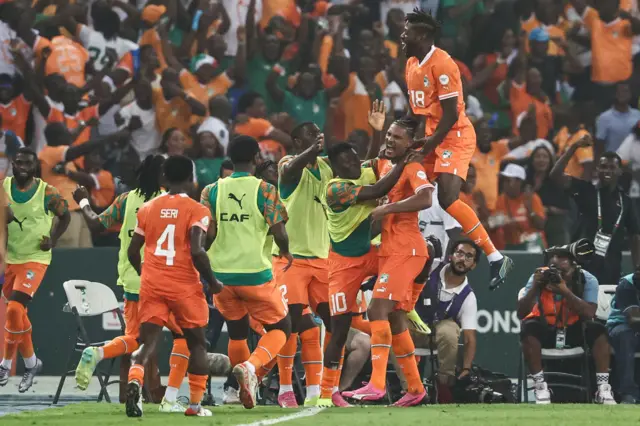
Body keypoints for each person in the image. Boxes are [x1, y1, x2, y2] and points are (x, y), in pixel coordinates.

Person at [71, 155, 194, 411]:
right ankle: (168, 397)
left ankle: (105, 359)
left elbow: (95, 224)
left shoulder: (125, 200)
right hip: (164, 281)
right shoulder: (169, 202)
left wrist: (83, 200)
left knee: (135, 339)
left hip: (132, 281)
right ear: (165, 175)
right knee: (183, 335)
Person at [401, 8, 513, 290]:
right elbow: (416, 113)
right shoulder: (411, 64)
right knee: (404, 178)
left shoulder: (444, 64)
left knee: (448, 198)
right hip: (432, 135)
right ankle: (399, 251)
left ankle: (495, 257)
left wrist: (427, 144)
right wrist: (398, 137)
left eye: (407, 32)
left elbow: (450, 115)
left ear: (423, 35)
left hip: (455, 136)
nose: (402, 36)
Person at [343, 117, 433, 406]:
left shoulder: (413, 167)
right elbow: (360, 168)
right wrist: (376, 129)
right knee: (395, 318)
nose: (391, 140)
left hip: (407, 250)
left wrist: (388, 209)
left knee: (376, 308)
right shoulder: (386, 165)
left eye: (397, 137)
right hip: (391, 250)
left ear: (410, 143)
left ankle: (377, 383)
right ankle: (416, 389)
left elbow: (426, 198)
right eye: (389, 135)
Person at [320, 138, 416, 407]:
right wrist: (403, 162)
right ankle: (327, 392)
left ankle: (410, 301)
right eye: (346, 161)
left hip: (369, 254)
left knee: (415, 256)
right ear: (335, 167)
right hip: (343, 264)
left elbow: (380, 160)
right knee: (338, 330)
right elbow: (379, 188)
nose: (353, 164)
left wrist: (380, 137)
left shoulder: (363, 168)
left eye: (354, 158)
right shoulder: (335, 188)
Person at [125, 155, 223, 418]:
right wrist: (213, 282)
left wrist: (144, 273)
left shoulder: (147, 208)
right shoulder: (197, 210)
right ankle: (194, 405)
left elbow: (133, 251)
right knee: (197, 345)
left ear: (164, 178)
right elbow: (198, 252)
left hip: (153, 283)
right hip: (184, 286)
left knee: (148, 342)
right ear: (192, 179)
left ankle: (134, 381)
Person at [203, 135, 292, 410]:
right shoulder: (265, 189)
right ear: (255, 158)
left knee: (237, 332)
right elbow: (279, 230)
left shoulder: (211, 190)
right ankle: (251, 368)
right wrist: (286, 251)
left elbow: (210, 232)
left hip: (221, 276)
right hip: (254, 272)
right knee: (282, 328)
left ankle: (241, 385)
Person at [0, 147, 70, 391]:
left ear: (35, 167)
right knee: (18, 315)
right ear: (12, 164)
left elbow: (66, 216)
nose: (22, 168)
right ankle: (31, 363)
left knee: (14, 308)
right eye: (18, 163)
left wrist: (53, 238)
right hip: (10, 258)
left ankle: (5, 363)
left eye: (28, 164)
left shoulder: (47, 192)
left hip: (36, 258)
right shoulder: (3, 188)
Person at [273, 122, 332, 408]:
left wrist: (374, 133)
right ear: (297, 141)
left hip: (321, 259)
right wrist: (312, 150)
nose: (318, 136)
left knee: (327, 325)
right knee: (293, 324)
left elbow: (357, 174)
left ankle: (317, 392)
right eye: (311, 134)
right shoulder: (288, 163)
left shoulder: (327, 167)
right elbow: (289, 171)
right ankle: (284, 388)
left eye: (319, 133)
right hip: (290, 260)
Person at [517, 243, 615, 405]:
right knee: (528, 328)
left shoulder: (587, 279)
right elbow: (521, 313)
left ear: (574, 267)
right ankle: (540, 386)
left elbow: (589, 313)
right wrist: (535, 286)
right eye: (555, 270)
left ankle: (603, 388)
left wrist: (564, 291)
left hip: (574, 328)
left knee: (599, 330)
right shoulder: (540, 277)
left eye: (564, 272)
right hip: (546, 326)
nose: (559, 275)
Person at [551, 140, 640, 285]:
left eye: (612, 167)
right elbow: (555, 175)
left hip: (612, 268)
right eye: (603, 167)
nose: (607, 171)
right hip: (582, 267)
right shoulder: (586, 190)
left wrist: (637, 266)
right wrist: (573, 147)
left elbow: (635, 235)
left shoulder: (626, 201)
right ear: (597, 169)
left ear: (619, 171)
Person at [412, 239, 479, 403]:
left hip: (437, 340)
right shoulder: (432, 267)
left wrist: (466, 369)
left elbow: (470, 338)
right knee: (396, 323)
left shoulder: (468, 297)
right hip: (413, 328)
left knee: (450, 329)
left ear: (473, 265)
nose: (462, 259)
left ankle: (443, 385)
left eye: (469, 257)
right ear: (451, 256)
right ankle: (405, 386)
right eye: (459, 253)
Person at [490, 163, 547, 251]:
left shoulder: (532, 197)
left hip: (532, 244)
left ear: (519, 182)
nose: (504, 184)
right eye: (504, 180)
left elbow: (541, 225)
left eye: (508, 180)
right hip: (511, 244)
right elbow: (492, 224)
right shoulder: (501, 199)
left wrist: (530, 210)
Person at [606, 268, 640, 404]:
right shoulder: (627, 283)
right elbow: (634, 319)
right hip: (622, 325)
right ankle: (628, 393)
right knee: (625, 336)